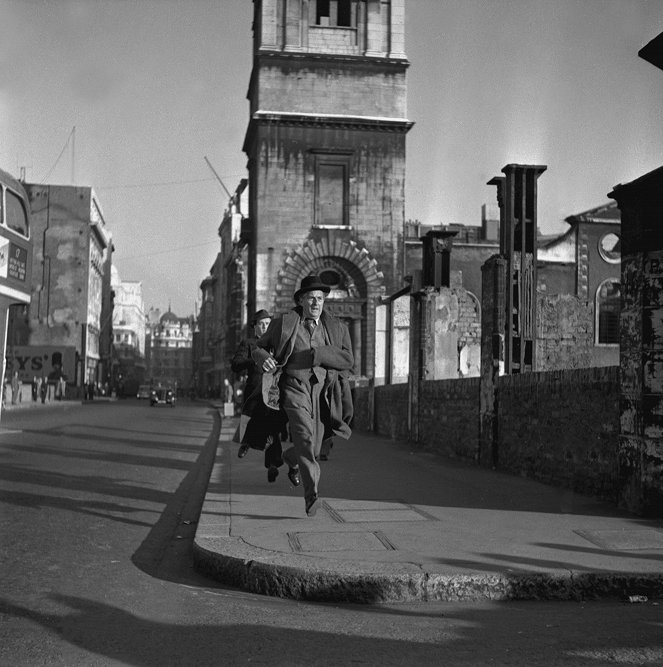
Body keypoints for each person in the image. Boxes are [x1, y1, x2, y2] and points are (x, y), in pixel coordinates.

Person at [253, 274, 354, 516]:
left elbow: (347, 360)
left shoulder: (337, 328)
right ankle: (312, 496)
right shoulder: (285, 323)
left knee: (314, 448)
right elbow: (259, 347)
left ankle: (291, 457)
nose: (316, 303)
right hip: (293, 388)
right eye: (311, 298)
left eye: (320, 299)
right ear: (301, 300)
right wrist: (264, 359)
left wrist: (319, 354)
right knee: (305, 439)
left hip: (322, 392)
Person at [231, 309, 286, 483]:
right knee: (252, 419)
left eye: (267, 324)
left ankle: (272, 465)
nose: (264, 328)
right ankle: (246, 442)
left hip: (273, 393)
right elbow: (236, 364)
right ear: (255, 328)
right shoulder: (249, 344)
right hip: (255, 391)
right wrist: (254, 359)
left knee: (273, 431)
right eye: (261, 325)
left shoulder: (277, 345)